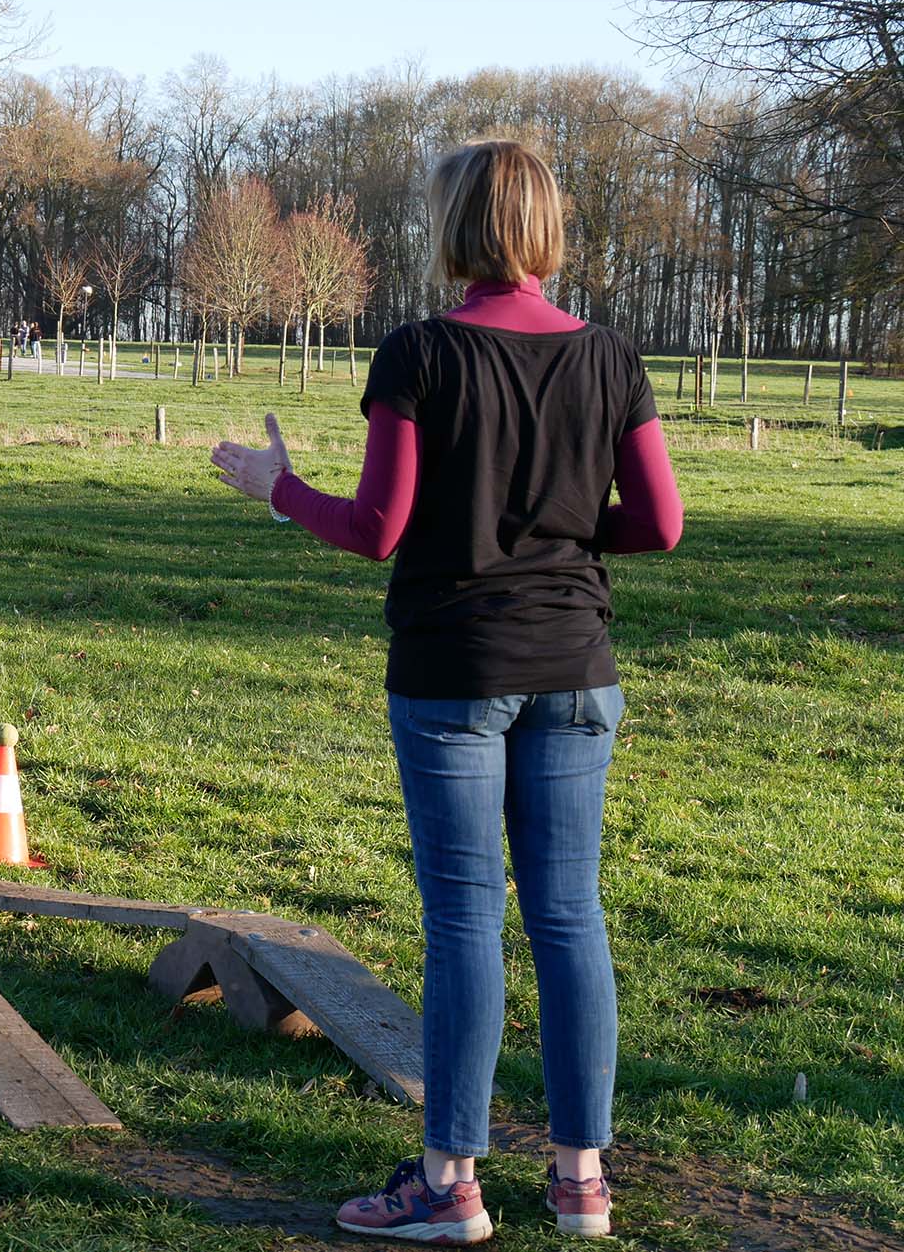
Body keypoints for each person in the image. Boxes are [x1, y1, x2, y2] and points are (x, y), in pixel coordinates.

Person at [212, 141, 682, 1245]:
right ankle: (581, 1182)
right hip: (576, 669)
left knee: (467, 917)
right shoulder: (611, 356)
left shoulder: (419, 352)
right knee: (570, 916)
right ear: (546, 228)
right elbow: (660, 524)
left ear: (457, 228)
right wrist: (561, 534)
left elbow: (378, 528)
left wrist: (279, 488)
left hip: (454, 672)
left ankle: (450, 1185)